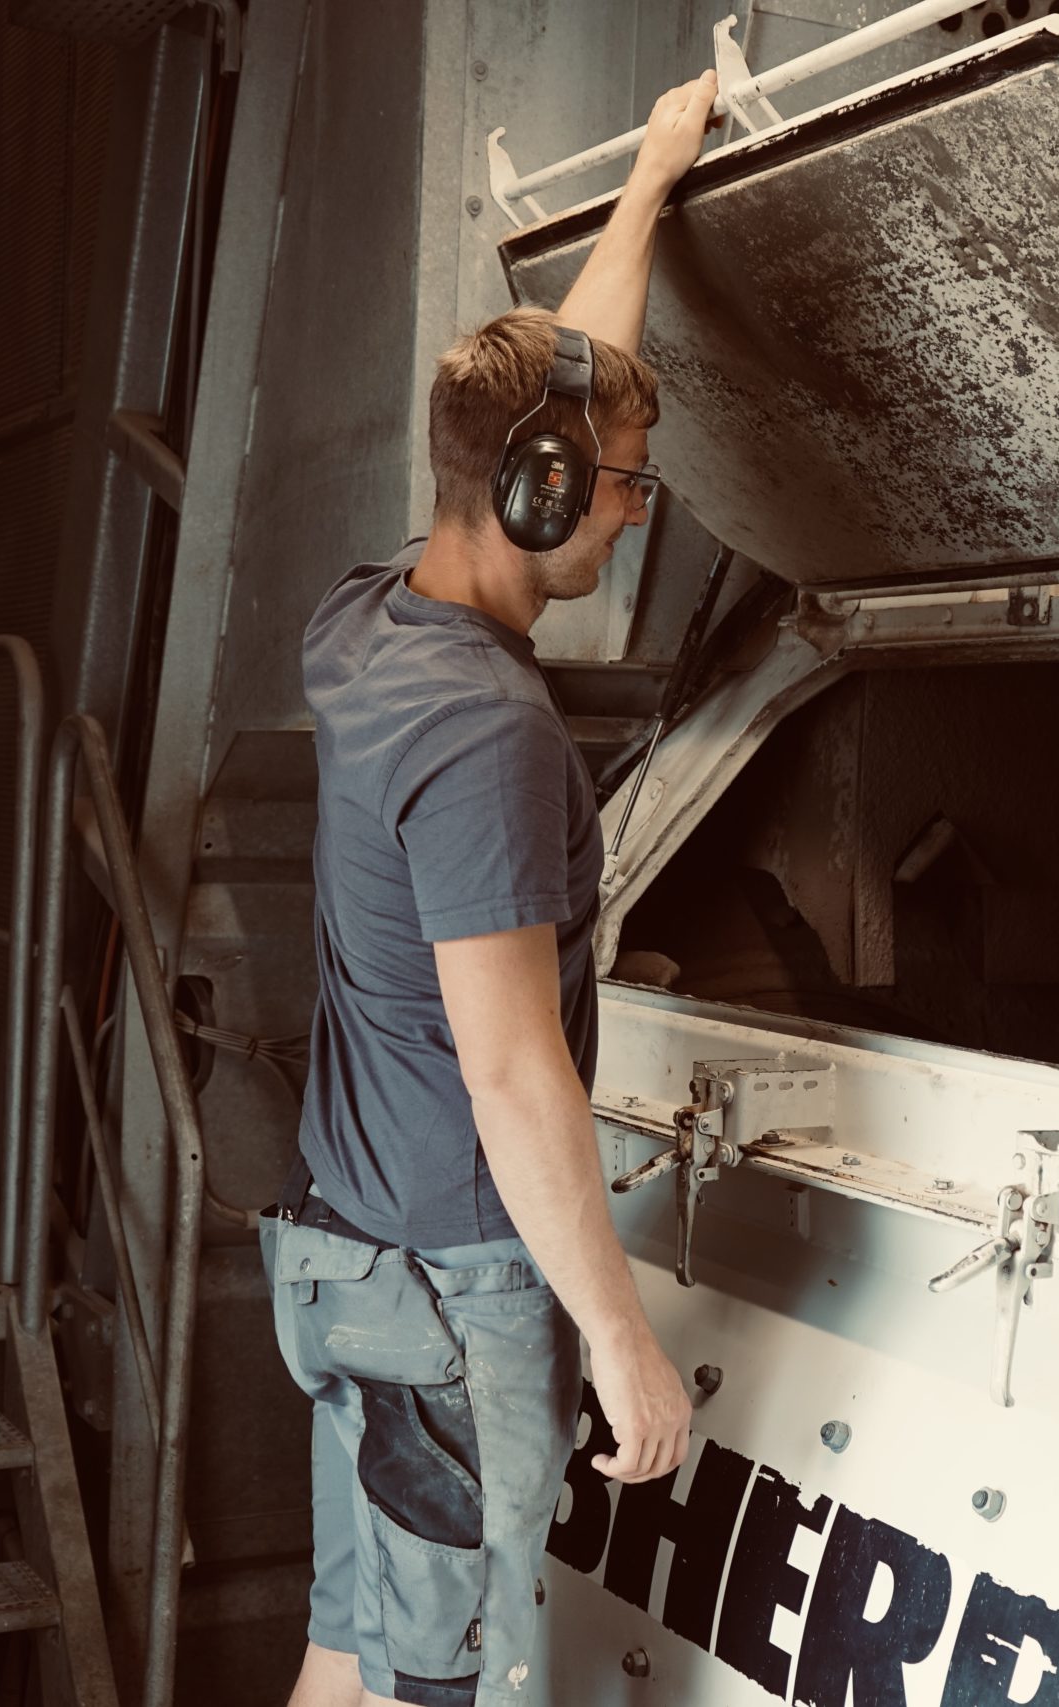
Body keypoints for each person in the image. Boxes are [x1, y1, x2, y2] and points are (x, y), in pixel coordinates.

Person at [267, 69, 721, 1707]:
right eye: (625, 487)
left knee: (353, 1659)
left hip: (343, 1261)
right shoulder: (491, 738)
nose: (630, 515)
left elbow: (562, 386)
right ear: (540, 492)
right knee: (446, 1687)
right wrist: (623, 1342)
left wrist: (654, 178)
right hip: (452, 1298)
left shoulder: (364, 618)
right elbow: (514, 1073)